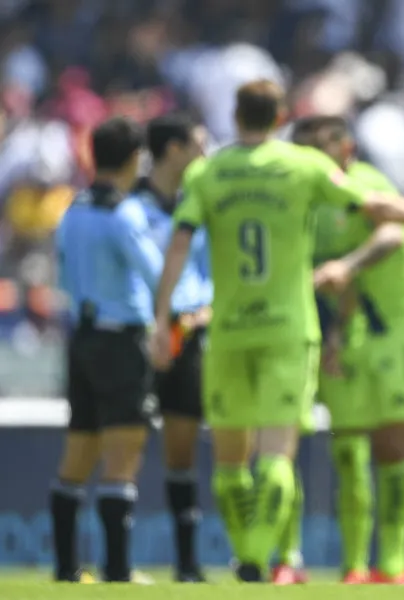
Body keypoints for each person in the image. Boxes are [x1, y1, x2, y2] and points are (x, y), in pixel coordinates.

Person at [148, 80, 404, 583]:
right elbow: (376, 218)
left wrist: (162, 319)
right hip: (296, 328)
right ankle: (298, 559)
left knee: (248, 456)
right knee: (305, 449)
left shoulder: (208, 172)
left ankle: (391, 561)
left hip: (281, 328)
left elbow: (179, 245)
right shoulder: (302, 173)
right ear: (279, 118)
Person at [289, 116, 404, 585]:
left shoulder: (366, 181)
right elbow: (341, 285)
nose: (307, 162)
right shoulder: (317, 203)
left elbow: (391, 233)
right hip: (364, 333)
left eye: (315, 150)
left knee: (402, 441)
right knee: (367, 448)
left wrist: (347, 265)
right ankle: (375, 567)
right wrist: (337, 334)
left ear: (344, 148)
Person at [51, 117, 161, 583]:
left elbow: (61, 271)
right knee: (123, 454)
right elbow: (156, 273)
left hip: (81, 337)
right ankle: (117, 569)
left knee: (78, 450)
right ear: (135, 158)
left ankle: (65, 568)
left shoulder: (72, 208)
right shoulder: (125, 213)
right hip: (120, 340)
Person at [134, 113, 209, 582]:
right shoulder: (131, 205)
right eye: (199, 141)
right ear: (175, 148)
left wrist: (207, 311)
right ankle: (116, 561)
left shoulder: (199, 202)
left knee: (182, 447)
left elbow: (213, 270)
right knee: (124, 442)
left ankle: (186, 565)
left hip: (191, 331)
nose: (206, 150)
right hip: (140, 334)